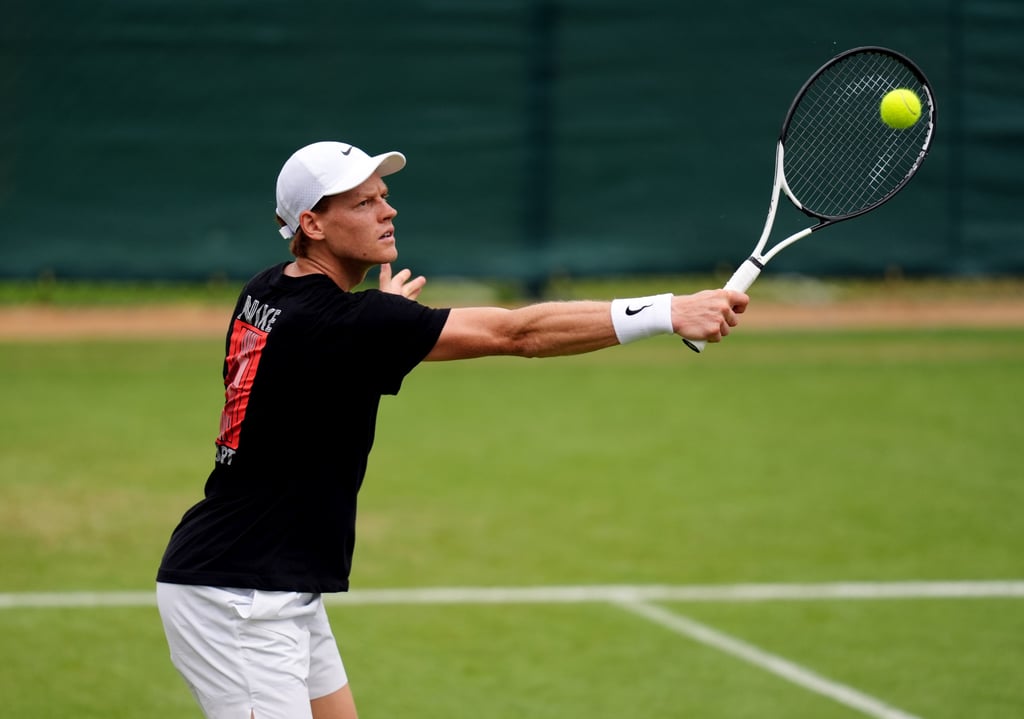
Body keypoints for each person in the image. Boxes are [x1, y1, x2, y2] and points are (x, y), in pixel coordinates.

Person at [156, 140, 749, 719]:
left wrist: (387, 321)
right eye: (363, 203)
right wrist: (669, 311)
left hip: (263, 577)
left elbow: (318, 369)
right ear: (312, 224)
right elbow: (518, 334)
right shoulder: (350, 323)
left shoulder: (268, 288)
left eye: (383, 196)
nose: (388, 211)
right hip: (240, 599)